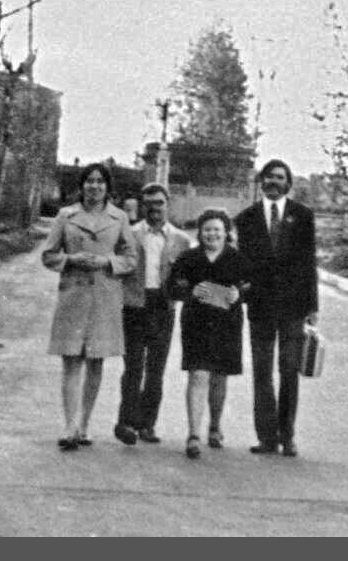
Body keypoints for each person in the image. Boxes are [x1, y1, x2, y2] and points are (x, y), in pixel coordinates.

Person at [41, 161, 136, 451]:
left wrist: (107, 261)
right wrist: (71, 260)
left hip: (105, 297)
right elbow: (48, 255)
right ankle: (69, 425)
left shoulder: (119, 218)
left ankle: (84, 424)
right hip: (73, 296)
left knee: (95, 362)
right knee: (71, 360)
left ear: (108, 187)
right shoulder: (66, 215)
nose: (94, 186)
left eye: (100, 182)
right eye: (89, 181)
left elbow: (131, 259)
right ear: (81, 185)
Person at [233, 158, 319, 458]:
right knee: (262, 372)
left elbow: (310, 263)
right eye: (268, 177)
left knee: (289, 371)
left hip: (293, 308)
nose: (273, 181)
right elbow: (241, 262)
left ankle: (288, 436)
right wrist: (242, 289)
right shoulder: (245, 219)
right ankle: (267, 437)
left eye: (279, 177)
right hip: (260, 307)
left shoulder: (302, 216)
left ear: (288, 183)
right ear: (261, 181)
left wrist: (312, 306)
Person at [112, 183, 193, 446]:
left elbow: (188, 277)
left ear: (167, 204)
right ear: (142, 205)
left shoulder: (181, 240)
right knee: (133, 367)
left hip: (163, 306)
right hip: (135, 304)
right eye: (149, 203)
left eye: (159, 202)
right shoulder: (131, 234)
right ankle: (126, 422)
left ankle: (147, 424)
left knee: (156, 369)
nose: (154, 208)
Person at [166, 210, 249, 460]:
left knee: (219, 377)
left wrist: (238, 295)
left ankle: (214, 425)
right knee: (198, 374)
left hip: (227, 325)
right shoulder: (189, 258)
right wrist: (192, 291)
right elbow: (173, 286)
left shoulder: (237, 258)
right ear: (199, 233)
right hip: (197, 324)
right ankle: (193, 434)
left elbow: (250, 285)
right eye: (207, 229)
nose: (212, 234)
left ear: (226, 232)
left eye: (217, 229)